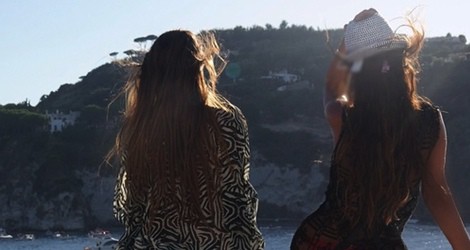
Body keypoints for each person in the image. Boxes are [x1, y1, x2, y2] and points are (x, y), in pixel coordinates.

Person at [291, 9, 470, 250]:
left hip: (319, 241)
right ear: (401, 64)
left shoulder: (343, 117)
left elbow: (332, 86)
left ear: (357, 74)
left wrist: (345, 48)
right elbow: (437, 194)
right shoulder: (429, 122)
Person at [111, 30, 264, 249]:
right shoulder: (225, 122)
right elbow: (237, 199)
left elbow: (133, 210)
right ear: (198, 67)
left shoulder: (140, 131)